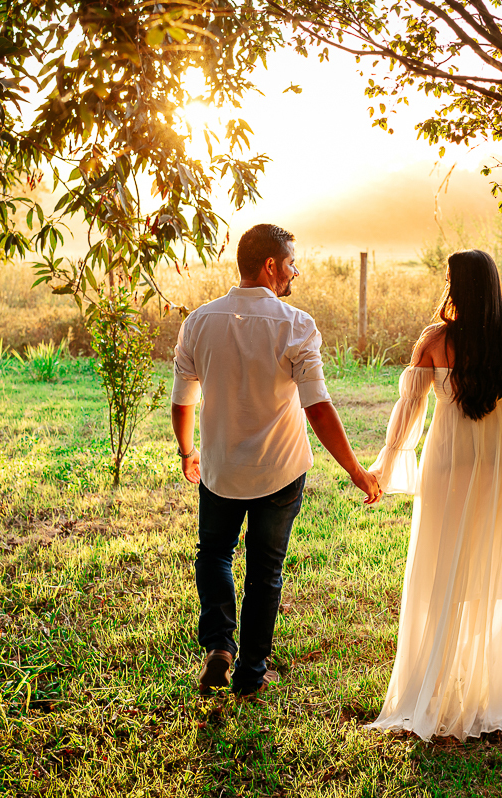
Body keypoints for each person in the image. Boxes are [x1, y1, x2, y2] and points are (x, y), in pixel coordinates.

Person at [170, 223, 382, 698]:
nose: (295, 272)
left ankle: (219, 645)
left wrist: (188, 452)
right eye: (290, 263)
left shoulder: (198, 322)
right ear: (270, 266)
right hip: (280, 470)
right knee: (265, 571)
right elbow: (317, 407)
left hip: (221, 469)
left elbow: (182, 401)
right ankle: (250, 674)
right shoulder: (296, 325)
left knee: (214, 554)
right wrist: (355, 470)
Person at [366, 249, 502, 740]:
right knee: (494, 569)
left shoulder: (434, 340)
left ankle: (440, 683)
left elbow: (409, 409)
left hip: (449, 462)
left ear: (456, 285)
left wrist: (386, 463)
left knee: (443, 569)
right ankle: (481, 688)